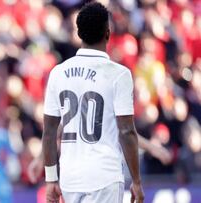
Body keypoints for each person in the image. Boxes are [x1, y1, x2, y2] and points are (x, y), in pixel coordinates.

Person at [42, 2, 144, 203]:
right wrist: (137, 181)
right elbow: (126, 131)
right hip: (104, 176)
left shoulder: (58, 73)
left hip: (70, 178)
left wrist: (51, 179)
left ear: (79, 33)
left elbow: (49, 131)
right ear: (108, 33)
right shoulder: (119, 74)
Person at [27, 125, 172, 184]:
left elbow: (53, 130)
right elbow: (125, 131)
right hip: (96, 175)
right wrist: (154, 148)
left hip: (77, 176)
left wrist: (40, 159)